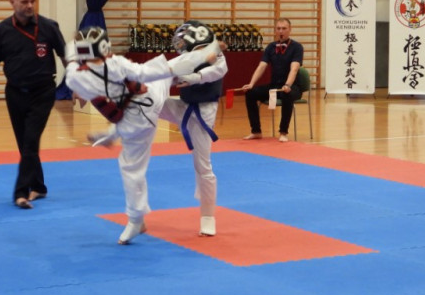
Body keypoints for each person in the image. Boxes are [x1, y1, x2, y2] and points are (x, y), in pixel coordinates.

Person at [64, 26, 218, 245]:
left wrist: (74, 59)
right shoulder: (117, 64)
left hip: (137, 121)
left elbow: (72, 59)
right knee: (163, 70)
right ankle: (112, 134)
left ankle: (136, 220)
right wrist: (202, 56)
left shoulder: (75, 77)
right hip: (151, 97)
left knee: (131, 168)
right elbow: (154, 71)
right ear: (105, 47)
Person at [0, 0, 66, 209]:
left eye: (32, 1)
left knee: (30, 141)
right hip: (15, 92)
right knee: (25, 143)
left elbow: (67, 58)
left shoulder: (49, 27)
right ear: (12, 3)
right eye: (24, 2)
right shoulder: (1, 30)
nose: (30, 6)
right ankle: (39, 186)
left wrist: (77, 86)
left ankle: (21, 192)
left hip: (43, 91)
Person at [159, 21, 227, 237]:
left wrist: (195, 78)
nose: (180, 47)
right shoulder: (186, 58)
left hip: (202, 113)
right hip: (182, 106)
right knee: (145, 100)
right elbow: (164, 72)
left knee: (202, 166)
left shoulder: (216, 55)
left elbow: (218, 71)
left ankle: (208, 217)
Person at [241, 17, 304, 142]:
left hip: (292, 87)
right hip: (274, 86)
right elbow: (262, 66)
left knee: (287, 95)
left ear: (290, 30)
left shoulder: (297, 47)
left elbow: (294, 69)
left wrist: (288, 85)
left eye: (284, 28)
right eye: (278, 28)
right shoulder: (271, 47)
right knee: (250, 93)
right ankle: (256, 131)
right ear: (275, 30)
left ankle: (283, 132)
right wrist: (251, 83)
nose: (281, 31)